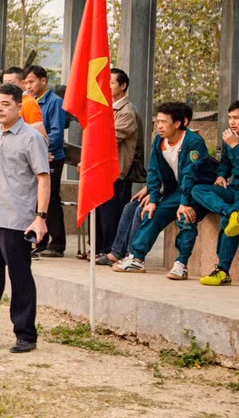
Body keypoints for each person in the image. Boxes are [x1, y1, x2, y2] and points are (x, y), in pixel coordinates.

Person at [0, 83, 49, 353]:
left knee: (20, 277)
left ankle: (26, 334)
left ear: (17, 107)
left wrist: (40, 218)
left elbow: (43, 179)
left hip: (16, 218)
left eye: (5, 104)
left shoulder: (30, 137)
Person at [113, 102, 217, 279]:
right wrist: (153, 199)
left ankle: (181, 264)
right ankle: (137, 259)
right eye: (157, 122)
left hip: (200, 190)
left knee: (186, 217)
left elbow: (190, 175)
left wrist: (184, 204)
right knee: (152, 212)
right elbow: (153, 171)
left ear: (178, 123)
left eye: (164, 122)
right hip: (179, 190)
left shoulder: (193, 142)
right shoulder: (159, 141)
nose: (159, 126)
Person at [189, 100, 239, 285]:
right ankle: (231, 212)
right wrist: (221, 175)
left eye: (237, 118)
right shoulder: (230, 138)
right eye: (230, 117)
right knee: (198, 189)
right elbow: (225, 164)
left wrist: (236, 146)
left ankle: (222, 270)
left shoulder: (232, 141)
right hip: (233, 190)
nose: (232, 122)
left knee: (228, 224)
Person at [95, 68, 142, 258]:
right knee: (100, 212)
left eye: (111, 83)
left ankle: (111, 250)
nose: (106, 87)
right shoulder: (108, 108)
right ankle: (99, 249)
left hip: (117, 170)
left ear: (123, 86)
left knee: (112, 214)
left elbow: (109, 140)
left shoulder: (126, 112)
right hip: (102, 169)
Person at [23, 65, 66, 256]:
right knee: (34, 200)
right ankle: (38, 242)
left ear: (43, 81)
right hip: (33, 156)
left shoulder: (55, 102)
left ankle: (57, 244)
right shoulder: (26, 101)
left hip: (52, 157)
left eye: (32, 82)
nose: (28, 86)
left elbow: (56, 132)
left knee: (51, 200)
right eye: (26, 82)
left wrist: (43, 150)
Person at [2, 67, 48, 141]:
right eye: (5, 83)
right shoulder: (9, 101)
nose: (7, 87)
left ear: (23, 83)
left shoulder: (28, 103)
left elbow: (40, 136)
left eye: (11, 83)